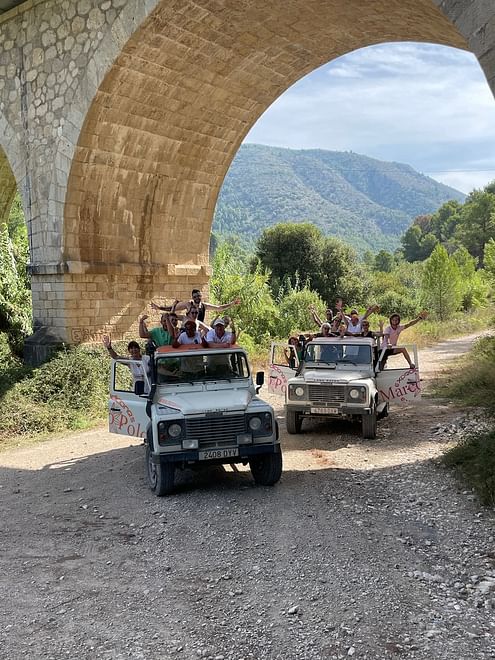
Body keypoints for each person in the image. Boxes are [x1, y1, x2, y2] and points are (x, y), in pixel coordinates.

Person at [171, 289, 241, 324]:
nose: (197, 298)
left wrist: (232, 304)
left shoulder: (204, 306)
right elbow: (173, 311)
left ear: (201, 296)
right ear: (192, 298)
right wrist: (165, 308)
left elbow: (219, 308)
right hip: (188, 329)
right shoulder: (188, 305)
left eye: (198, 296)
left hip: (199, 328)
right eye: (195, 297)